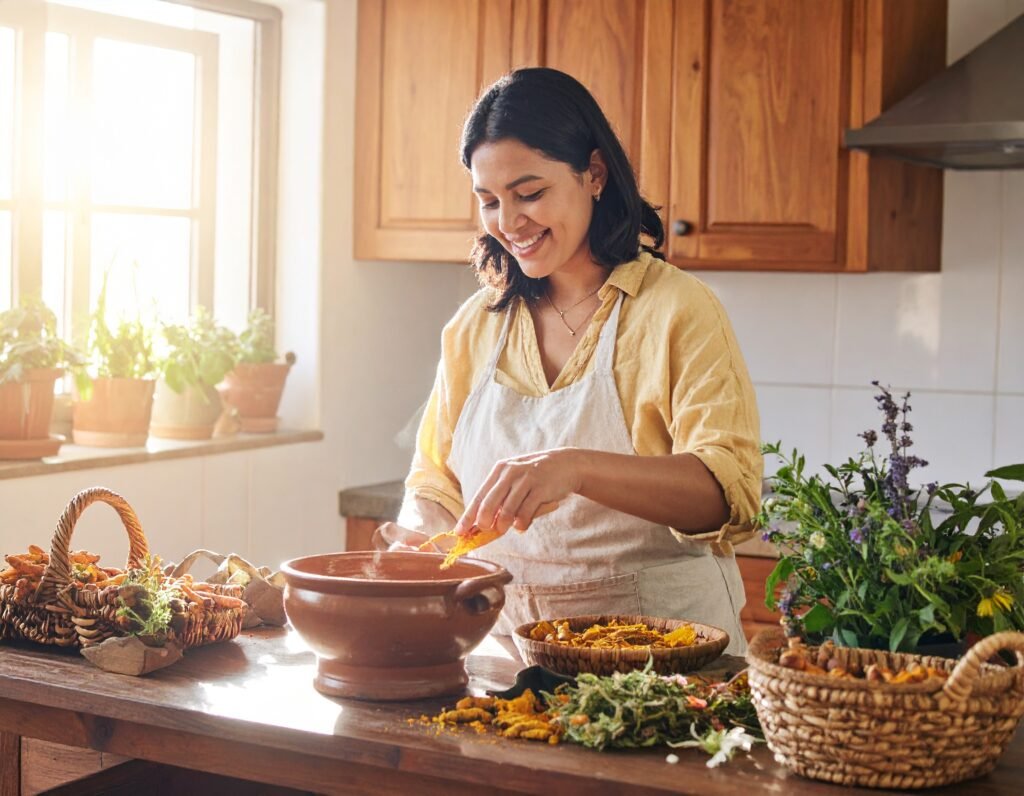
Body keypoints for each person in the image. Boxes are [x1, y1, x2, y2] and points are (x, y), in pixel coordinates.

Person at [381, 68, 762, 654]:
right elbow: (436, 482)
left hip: (667, 663)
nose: (509, 223)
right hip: (506, 659)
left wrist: (577, 468)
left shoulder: (678, 310)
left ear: (595, 175)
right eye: (489, 202)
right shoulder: (474, 327)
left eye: (529, 193)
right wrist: (423, 536)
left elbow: (728, 494)